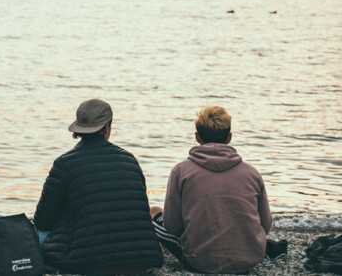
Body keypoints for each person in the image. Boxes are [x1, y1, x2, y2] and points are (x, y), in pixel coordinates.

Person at [34, 99, 163, 275]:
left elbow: (43, 221)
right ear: (107, 127)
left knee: (37, 232)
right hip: (139, 262)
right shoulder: (130, 160)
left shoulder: (64, 164)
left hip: (89, 262)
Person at [151, 106, 276, 273]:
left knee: (153, 212)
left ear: (197, 137)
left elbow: (172, 227)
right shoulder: (252, 173)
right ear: (229, 137)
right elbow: (265, 226)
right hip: (249, 260)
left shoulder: (181, 171)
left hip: (200, 262)